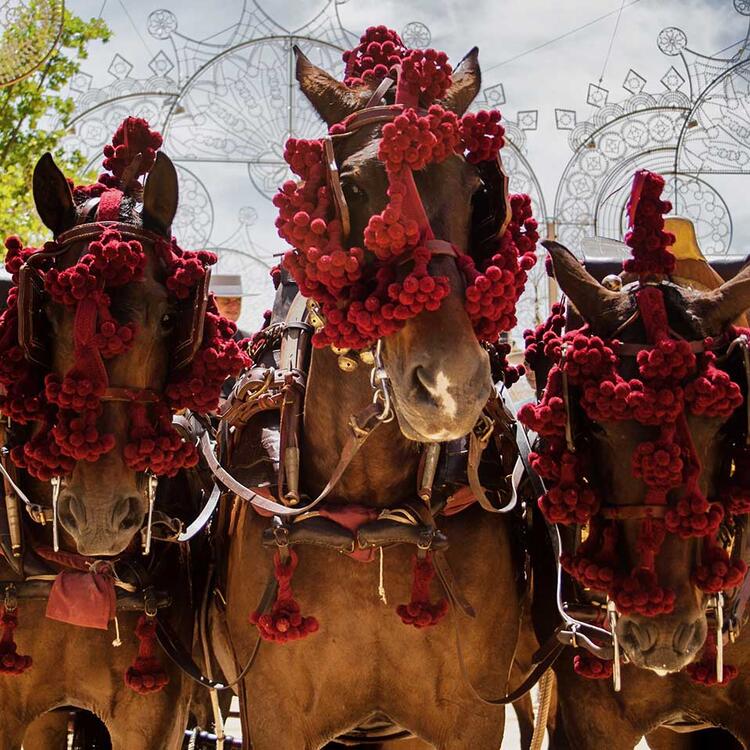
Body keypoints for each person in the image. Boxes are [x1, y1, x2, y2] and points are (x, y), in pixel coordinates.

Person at [210, 273, 252, 400]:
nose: (234, 306)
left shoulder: (249, 339)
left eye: (238, 300)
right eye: (227, 301)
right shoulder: (202, 339)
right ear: (213, 302)